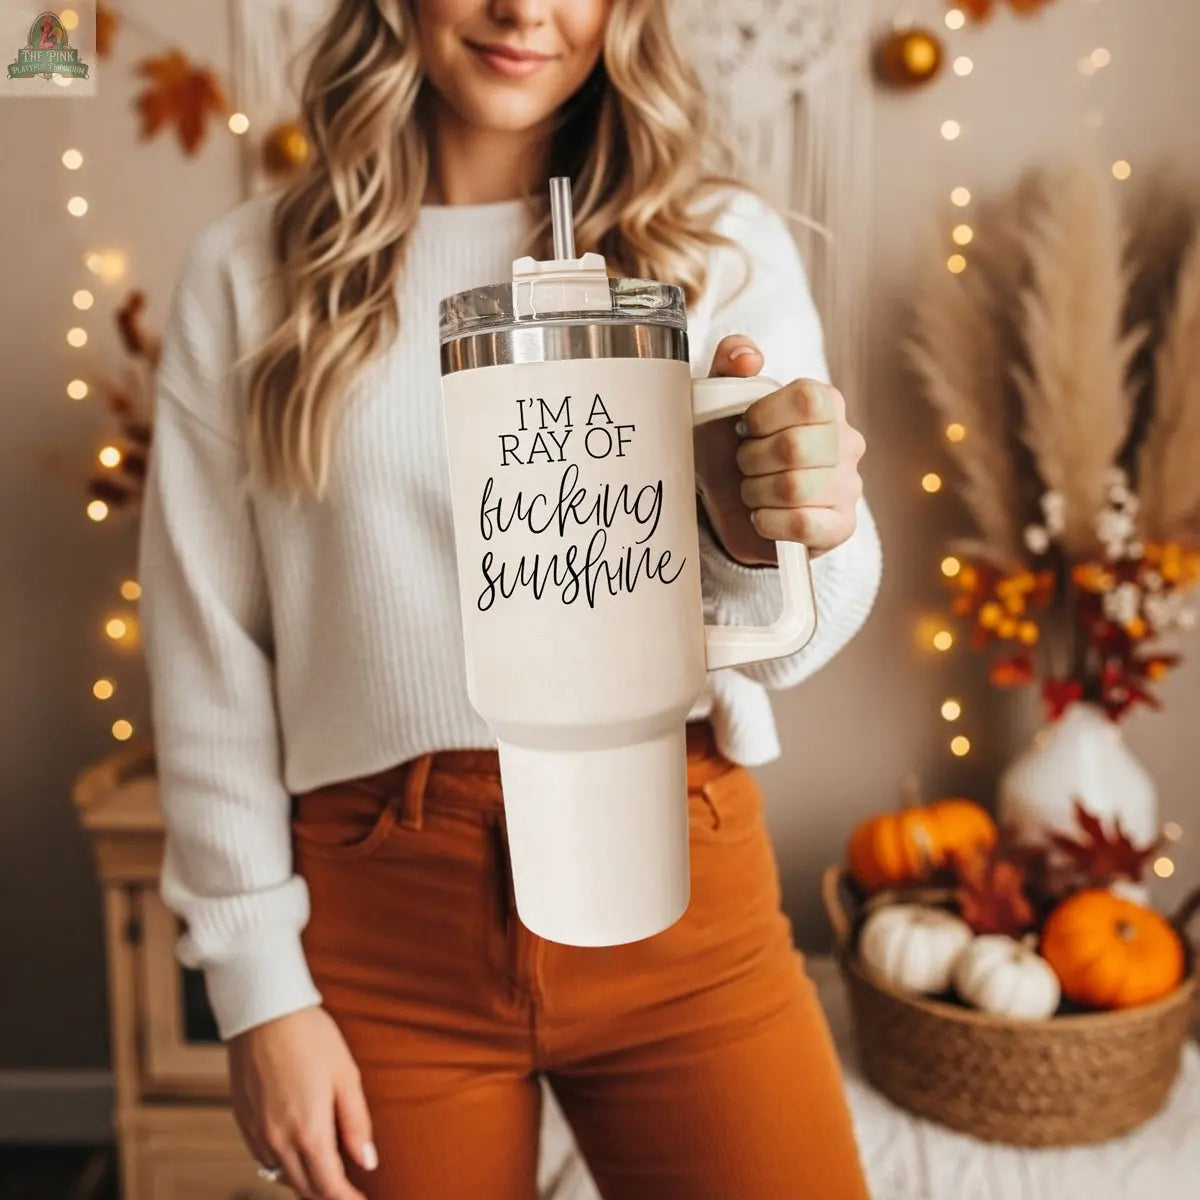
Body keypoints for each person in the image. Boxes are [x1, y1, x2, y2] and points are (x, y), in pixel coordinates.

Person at [137, 1, 882, 1197]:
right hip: (382, 923)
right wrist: (258, 991)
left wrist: (765, 526)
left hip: (678, 879)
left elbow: (807, 623)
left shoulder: (719, 247)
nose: (524, 10)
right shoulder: (250, 271)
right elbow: (205, 651)